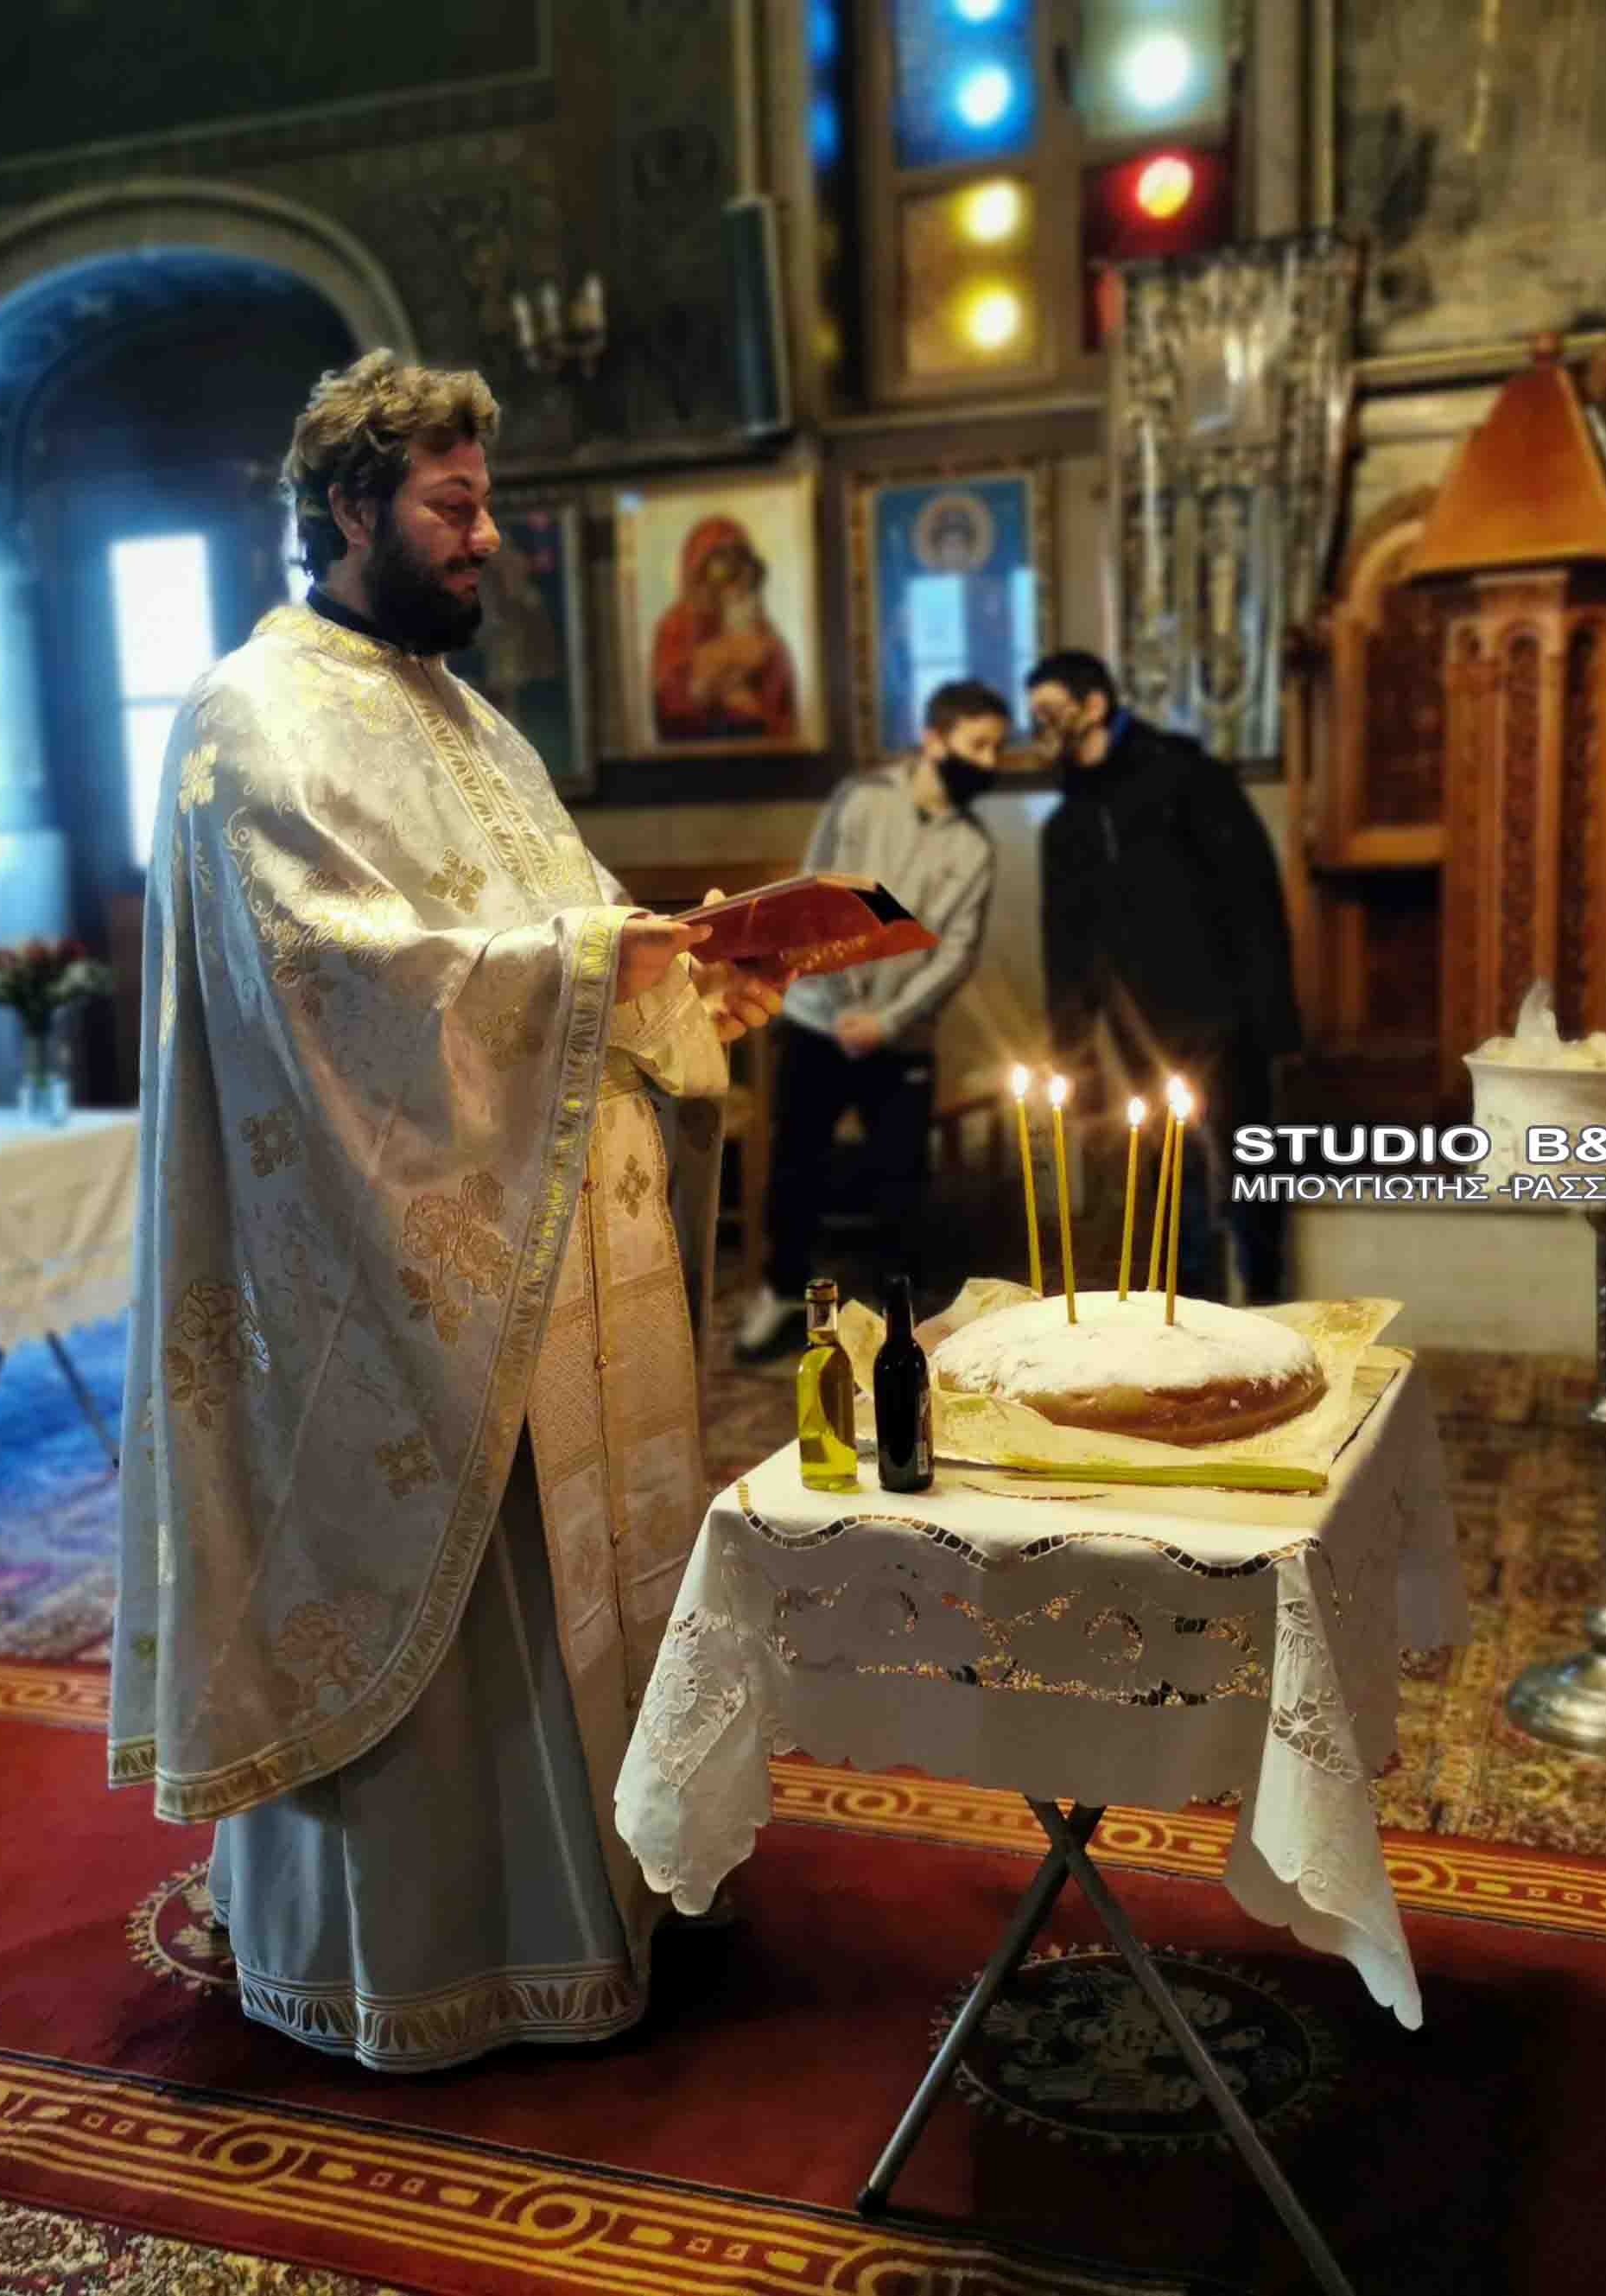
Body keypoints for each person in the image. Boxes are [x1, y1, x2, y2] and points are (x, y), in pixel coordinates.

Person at [112, 351, 790, 2073]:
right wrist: (592, 966)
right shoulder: (251, 715)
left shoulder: (470, 721)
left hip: (546, 1261)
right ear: (350, 507)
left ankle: (607, 1895)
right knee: (459, 1604)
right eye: (454, 504)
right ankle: (447, 1953)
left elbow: (557, 930)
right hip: (392, 1272)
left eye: (485, 502)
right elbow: (331, 978)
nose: (487, 536)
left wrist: (690, 970)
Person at [732, 677, 1008, 1360]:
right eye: (978, 745)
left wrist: (887, 1019)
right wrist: (847, 1001)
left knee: (900, 1184)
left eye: (997, 748)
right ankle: (780, 1295)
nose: (990, 761)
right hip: (820, 1018)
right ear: (934, 739)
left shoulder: (974, 846)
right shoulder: (860, 799)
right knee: (796, 1163)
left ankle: (897, 1321)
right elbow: (814, 893)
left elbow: (957, 952)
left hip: (900, 1035)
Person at [1026, 649, 1298, 1304]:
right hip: (1138, 1034)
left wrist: (1271, 1020)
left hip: (1224, 1018)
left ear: (1093, 706)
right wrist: (1074, 1059)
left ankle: (1268, 1306)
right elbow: (1065, 953)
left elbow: (1254, 897)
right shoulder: (1064, 825)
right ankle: (1191, 1313)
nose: (1037, 727)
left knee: (1249, 1168)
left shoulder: (1187, 777)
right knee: (1170, 1178)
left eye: (1049, 711)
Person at [651, 515, 797, 741]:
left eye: (737, 560)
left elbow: (781, 709)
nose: (729, 571)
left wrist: (754, 706)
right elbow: (668, 700)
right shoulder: (675, 626)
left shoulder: (766, 634)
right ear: (698, 567)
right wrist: (707, 686)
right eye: (720, 559)